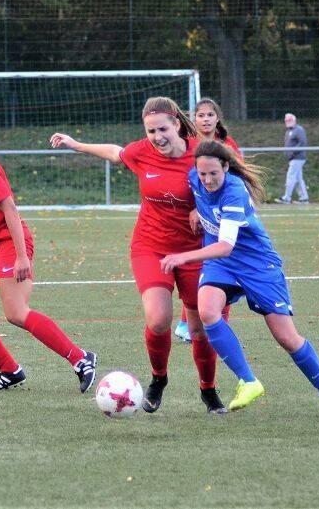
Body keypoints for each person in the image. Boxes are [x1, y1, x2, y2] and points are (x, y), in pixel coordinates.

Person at [50, 96, 227, 415]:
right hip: (151, 246)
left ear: (176, 123)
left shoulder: (201, 154)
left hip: (195, 251)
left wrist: (206, 213)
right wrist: (76, 144)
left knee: (200, 329)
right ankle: (158, 380)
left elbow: (231, 193)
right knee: (158, 319)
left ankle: (208, 391)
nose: (157, 137)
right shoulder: (142, 152)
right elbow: (116, 153)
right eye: (150, 131)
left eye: (162, 129)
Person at [160, 140, 319, 420]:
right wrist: (196, 211)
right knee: (208, 311)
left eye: (214, 173)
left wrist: (184, 257)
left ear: (226, 167)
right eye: (203, 174)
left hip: (258, 264)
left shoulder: (235, 190)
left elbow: (226, 245)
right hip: (222, 265)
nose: (208, 180)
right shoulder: (194, 179)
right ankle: (248, 381)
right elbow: (204, 205)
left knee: (286, 337)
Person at [0, 114, 97, 393]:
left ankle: (81, 358)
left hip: (12, 242)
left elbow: (10, 209)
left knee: (16, 312)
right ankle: (9, 370)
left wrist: (22, 256)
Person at [175, 97, 241, 343]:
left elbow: (239, 179)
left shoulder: (228, 145)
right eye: (200, 115)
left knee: (223, 268)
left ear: (217, 118)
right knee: (197, 269)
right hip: (195, 217)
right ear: (194, 119)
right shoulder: (188, 144)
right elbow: (188, 180)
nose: (205, 119)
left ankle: (220, 323)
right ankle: (185, 322)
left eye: (209, 115)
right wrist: (195, 209)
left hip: (222, 217)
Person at [275, 113, 309, 204]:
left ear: (294, 120)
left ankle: (287, 197)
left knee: (291, 176)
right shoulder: (288, 131)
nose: (288, 122)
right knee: (298, 178)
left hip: (298, 157)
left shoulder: (298, 130)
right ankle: (304, 198)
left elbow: (302, 142)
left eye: (289, 120)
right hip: (293, 158)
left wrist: (293, 152)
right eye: (286, 121)